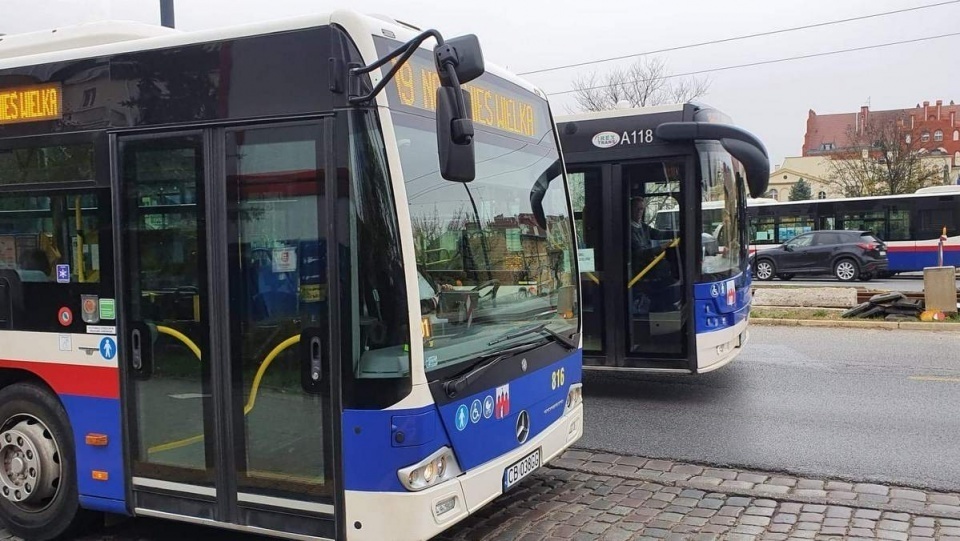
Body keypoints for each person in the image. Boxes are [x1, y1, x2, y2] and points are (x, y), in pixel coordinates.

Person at [628, 196, 675, 314]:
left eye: (642, 209)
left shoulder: (642, 226)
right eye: (637, 209)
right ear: (630, 210)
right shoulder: (628, 229)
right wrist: (661, 248)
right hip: (638, 268)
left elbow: (658, 234)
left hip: (648, 263)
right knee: (665, 268)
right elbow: (639, 253)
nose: (640, 212)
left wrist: (680, 232)